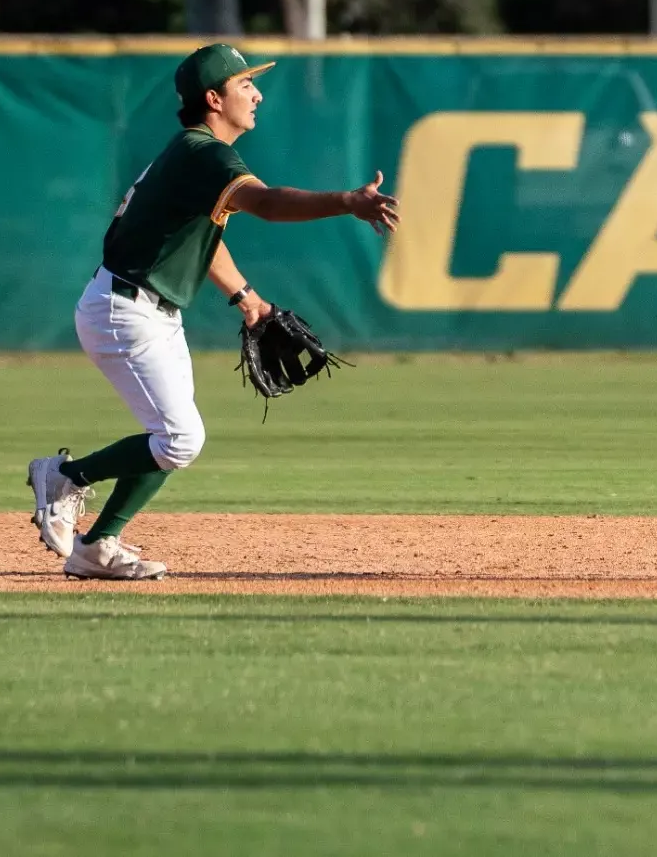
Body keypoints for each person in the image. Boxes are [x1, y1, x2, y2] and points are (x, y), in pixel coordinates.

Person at [26, 43, 399, 580]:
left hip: (147, 309)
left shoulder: (193, 152)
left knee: (170, 437)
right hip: (124, 309)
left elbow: (203, 235)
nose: (257, 94)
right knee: (179, 439)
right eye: (245, 84)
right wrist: (346, 202)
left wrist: (247, 297)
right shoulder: (206, 155)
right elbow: (267, 204)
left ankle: (97, 546)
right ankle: (66, 477)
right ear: (213, 98)